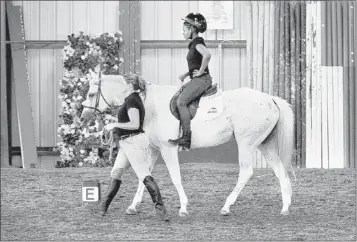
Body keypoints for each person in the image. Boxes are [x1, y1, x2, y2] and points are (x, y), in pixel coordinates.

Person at [96, 74, 169, 222]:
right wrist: (114, 121)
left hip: (134, 142)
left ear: (130, 85)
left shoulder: (132, 100)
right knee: (116, 173)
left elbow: (135, 124)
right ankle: (103, 207)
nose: (122, 86)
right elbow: (128, 121)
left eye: (124, 83)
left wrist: (115, 125)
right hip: (126, 143)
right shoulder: (131, 99)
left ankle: (161, 209)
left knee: (144, 176)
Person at [168, 13, 212, 150]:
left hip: (202, 79)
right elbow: (198, 62)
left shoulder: (197, 42)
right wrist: (187, 73)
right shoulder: (193, 44)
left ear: (192, 29)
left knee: (181, 102)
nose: (183, 32)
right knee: (178, 98)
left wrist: (200, 72)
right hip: (197, 78)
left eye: (185, 30)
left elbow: (207, 55)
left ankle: (186, 138)